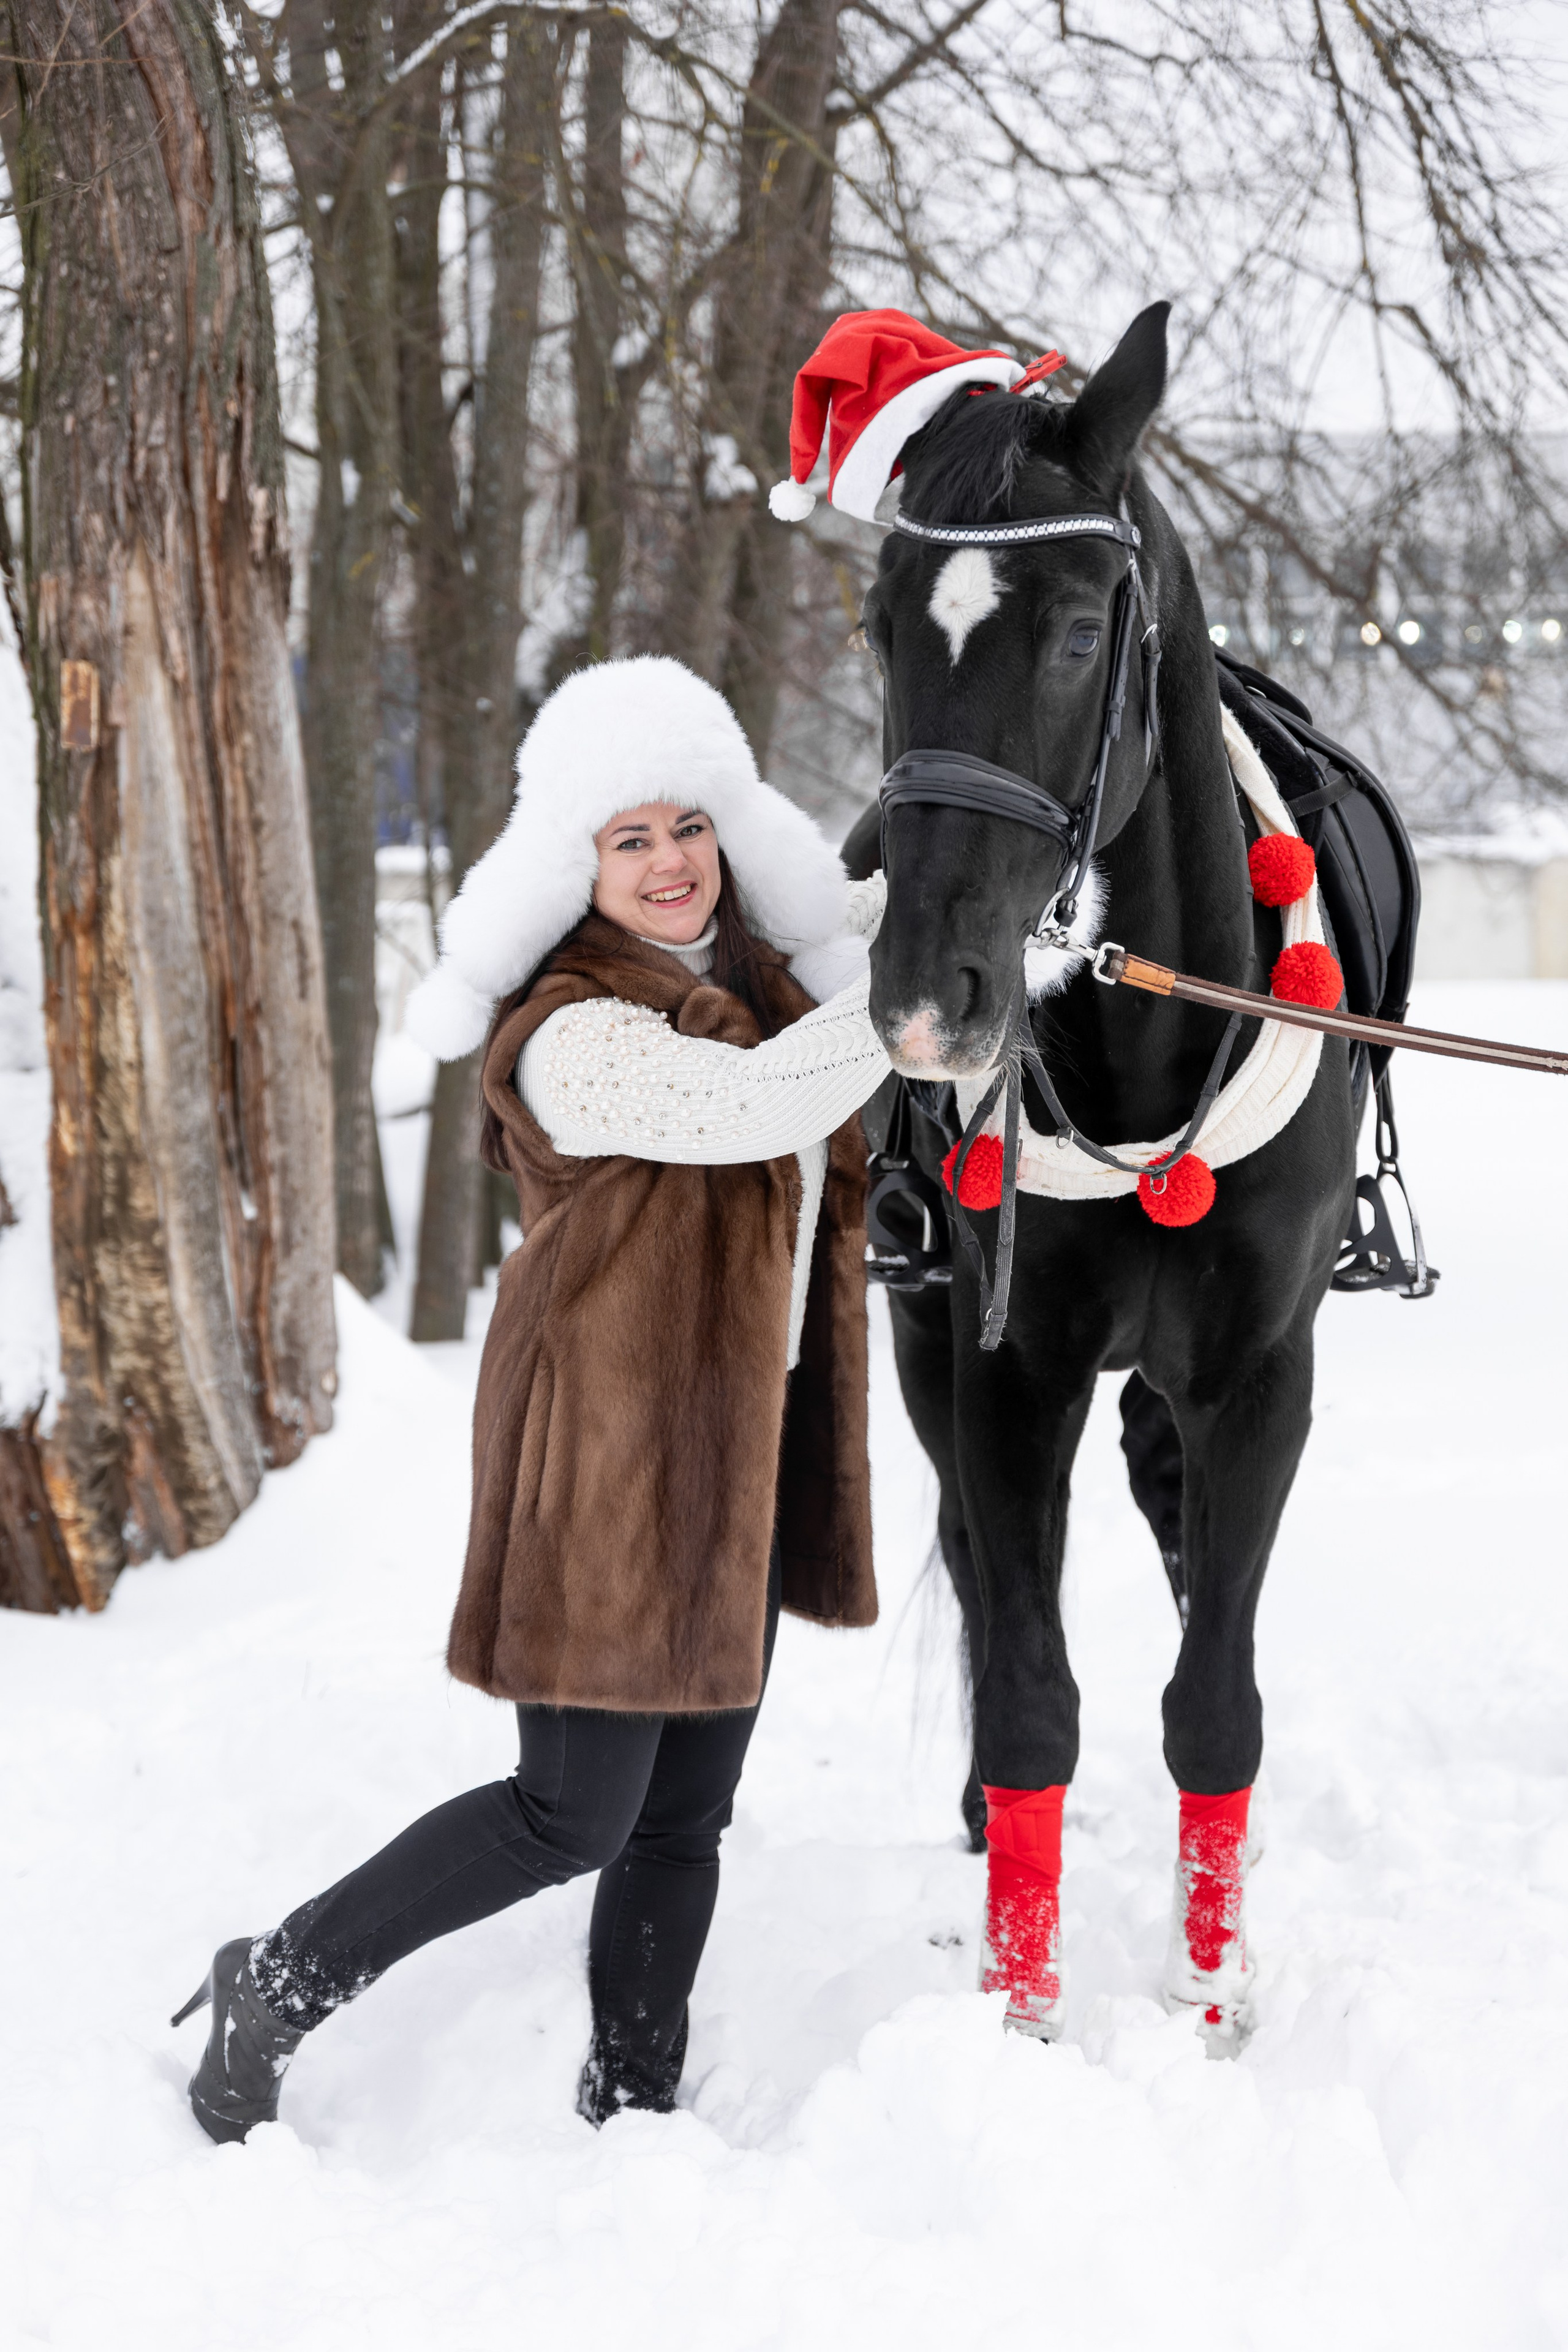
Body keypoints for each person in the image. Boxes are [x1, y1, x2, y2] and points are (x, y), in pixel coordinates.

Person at [172, 656, 892, 2142]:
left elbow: (875, 946)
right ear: (578, 867)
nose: (668, 862)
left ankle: (634, 2092)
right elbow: (758, 1104)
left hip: (743, 1452)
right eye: (628, 840)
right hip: (606, 1460)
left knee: (685, 1815)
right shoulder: (567, 1030)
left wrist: (981, 902)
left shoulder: (762, 988)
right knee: (569, 1813)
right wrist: (931, 982)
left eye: (687, 827)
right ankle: (278, 1978)